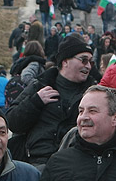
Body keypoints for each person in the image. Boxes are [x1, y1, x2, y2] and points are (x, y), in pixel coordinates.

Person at [6, 35, 96, 169]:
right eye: (83, 60)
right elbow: (11, 121)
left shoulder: (93, 93)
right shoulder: (40, 85)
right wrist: (35, 102)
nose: (88, 66)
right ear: (65, 61)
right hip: (37, 162)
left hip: (76, 165)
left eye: (90, 62)